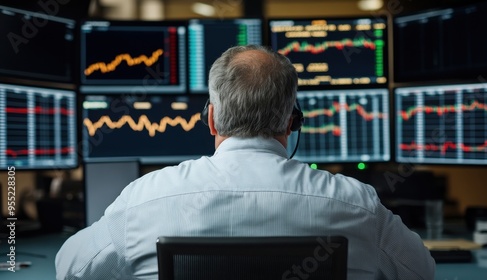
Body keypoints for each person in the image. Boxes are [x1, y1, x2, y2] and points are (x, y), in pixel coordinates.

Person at [55, 45, 435, 279]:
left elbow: (68, 270)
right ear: (292, 121)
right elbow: (423, 272)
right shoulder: (356, 204)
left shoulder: (145, 200)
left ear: (211, 119)